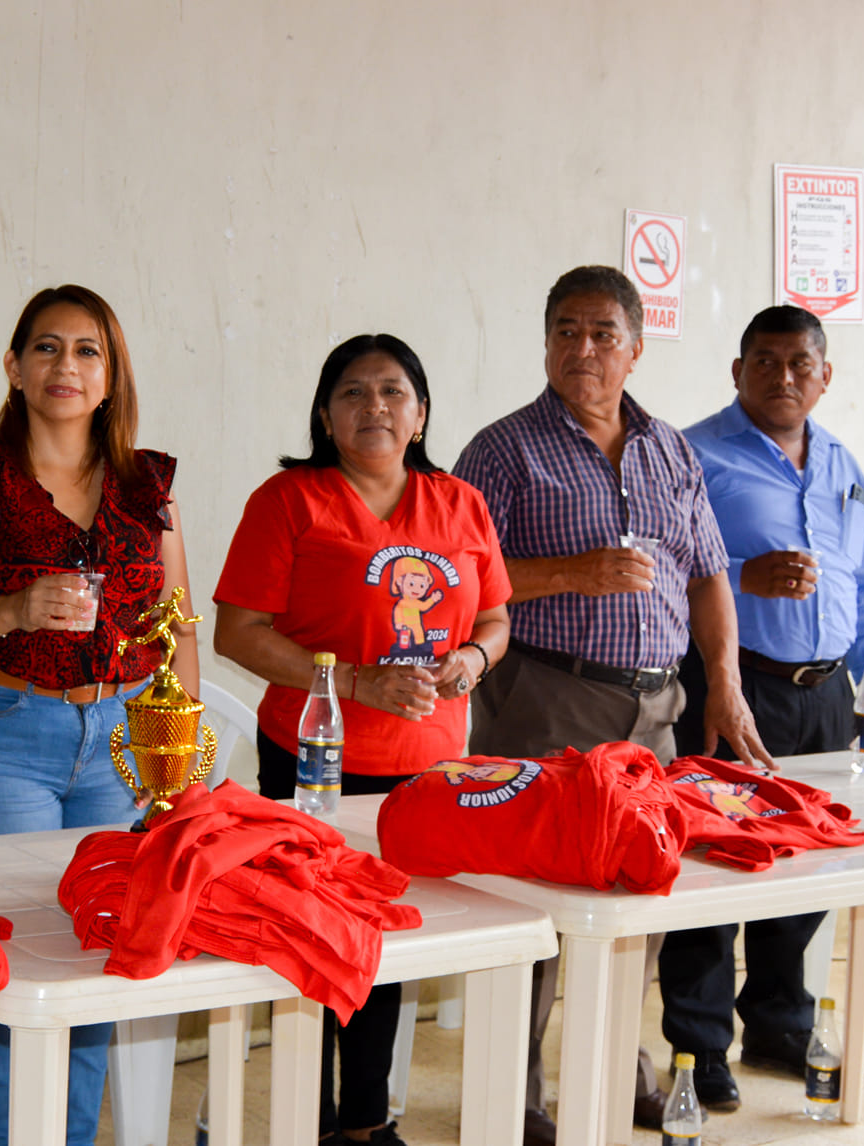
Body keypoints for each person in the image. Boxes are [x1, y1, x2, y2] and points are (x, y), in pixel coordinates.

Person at [452, 265, 769, 1146]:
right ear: (545, 342)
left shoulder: (670, 448)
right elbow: (463, 576)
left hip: (655, 709)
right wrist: (573, 574)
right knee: (531, 907)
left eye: (601, 334)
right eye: (565, 331)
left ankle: (617, 1071)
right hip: (546, 698)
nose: (582, 349)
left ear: (635, 347)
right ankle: (511, 1099)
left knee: (639, 899)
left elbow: (708, 573)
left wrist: (725, 681)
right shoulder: (503, 449)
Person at [0, 283, 195, 1146]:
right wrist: (13, 609)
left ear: (111, 377)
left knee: (99, 951)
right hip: (5, 734)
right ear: (15, 367)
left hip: (124, 738)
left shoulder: (147, 484)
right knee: (16, 952)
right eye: (47, 347)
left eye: (88, 350)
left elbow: (177, 627)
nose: (67, 365)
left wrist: (176, 762)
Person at [216, 333, 512, 1146]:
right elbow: (238, 632)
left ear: (421, 415)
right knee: (312, 937)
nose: (373, 406)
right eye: (352, 392)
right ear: (324, 415)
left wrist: (473, 659)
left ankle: (366, 1123)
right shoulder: (289, 501)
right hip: (314, 761)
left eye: (392, 392)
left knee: (387, 942)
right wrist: (350, 680)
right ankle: (306, 1120)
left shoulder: (460, 502)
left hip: (426, 766)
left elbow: (495, 616)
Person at [663, 306, 864, 1110]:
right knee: (714, 861)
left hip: (826, 693)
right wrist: (742, 575)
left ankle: (777, 1021)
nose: (783, 376)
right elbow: (663, 564)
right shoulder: (694, 453)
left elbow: (861, 584)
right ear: (738, 371)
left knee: (808, 859)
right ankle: (698, 1045)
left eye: (800, 363)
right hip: (734, 685)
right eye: (765, 361)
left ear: (825, 375)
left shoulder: (842, 462)